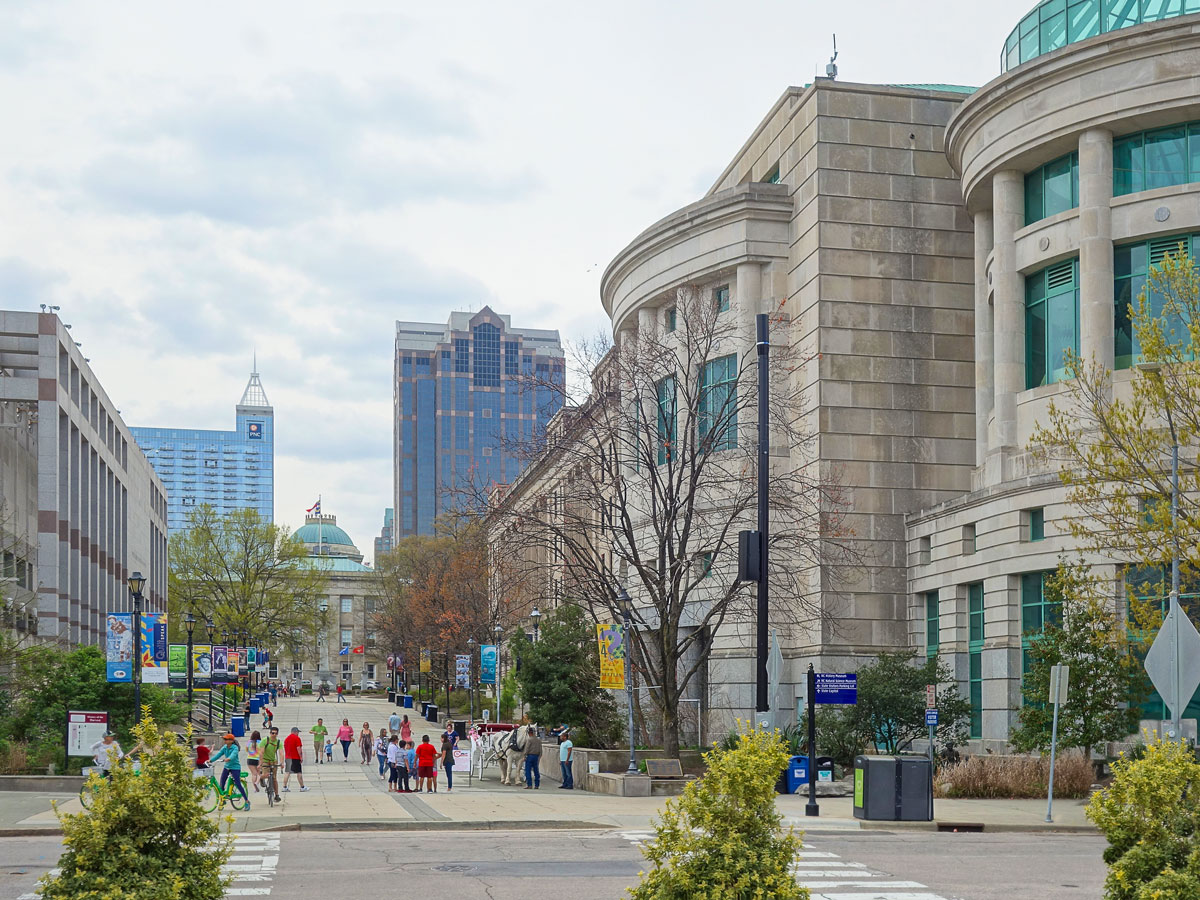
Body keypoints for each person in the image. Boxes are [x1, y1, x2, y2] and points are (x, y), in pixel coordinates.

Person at [209, 733, 250, 809]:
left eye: (226, 739)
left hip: (235, 767)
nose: (225, 741)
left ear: (231, 741)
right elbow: (218, 754)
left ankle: (247, 801)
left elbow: (233, 755)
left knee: (238, 783)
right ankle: (223, 799)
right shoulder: (224, 747)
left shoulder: (235, 748)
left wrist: (229, 758)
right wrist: (210, 760)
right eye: (224, 739)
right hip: (227, 767)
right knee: (222, 783)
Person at [281, 727, 308, 792]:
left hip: (288, 757)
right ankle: (302, 787)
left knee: (287, 772)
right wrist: (301, 757)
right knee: (299, 772)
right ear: (295, 732)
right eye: (298, 732)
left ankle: (284, 787)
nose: (298, 733)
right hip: (295, 758)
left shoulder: (286, 739)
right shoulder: (297, 738)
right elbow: (298, 748)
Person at [260, 727, 282, 800]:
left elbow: (281, 753)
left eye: (275, 733)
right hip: (265, 760)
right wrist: (260, 763)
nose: (274, 735)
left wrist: (282, 763)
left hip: (273, 761)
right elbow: (261, 752)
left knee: (274, 778)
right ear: (270, 733)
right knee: (265, 775)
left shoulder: (278, 742)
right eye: (272, 733)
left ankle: (277, 795)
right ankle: (261, 778)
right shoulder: (265, 741)